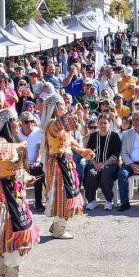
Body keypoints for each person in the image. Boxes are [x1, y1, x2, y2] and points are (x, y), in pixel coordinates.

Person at [0, 108, 40, 277]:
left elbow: (17, 169)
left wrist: (27, 177)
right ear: (7, 124)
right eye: (16, 120)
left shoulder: (15, 141)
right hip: (3, 191)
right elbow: (2, 152)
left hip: (15, 190)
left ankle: (3, 265)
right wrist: (20, 145)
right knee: (10, 229)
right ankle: (11, 271)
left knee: (19, 227)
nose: (18, 124)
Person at [41, 93, 94, 237]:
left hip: (65, 162)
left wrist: (82, 151)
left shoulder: (59, 124)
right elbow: (71, 123)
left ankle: (58, 224)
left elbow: (69, 141)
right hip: (58, 164)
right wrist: (75, 112)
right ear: (55, 107)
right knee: (62, 194)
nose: (65, 107)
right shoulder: (53, 124)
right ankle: (59, 230)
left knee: (66, 193)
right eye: (62, 105)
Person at [83, 114, 121, 211]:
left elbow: (115, 155)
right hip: (95, 164)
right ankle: (91, 201)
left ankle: (108, 200)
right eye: (101, 123)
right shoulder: (93, 136)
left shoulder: (115, 136)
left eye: (105, 123)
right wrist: (95, 163)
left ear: (109, 123)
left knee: (105, 173)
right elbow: (88, 152)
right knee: (91, 173)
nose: (103, 125)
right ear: (98, 124)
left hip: (110, 165)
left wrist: (103, 164)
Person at [19, 111, 45, 212]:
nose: (29, 123)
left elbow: (39, 150)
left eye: (31, 121)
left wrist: (37, 161)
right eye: (26, 121)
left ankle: (38, 202)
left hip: (33, 163)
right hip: (21, 164)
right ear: (21, 122)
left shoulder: (37, 131)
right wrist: (22, 164)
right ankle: (20, 202)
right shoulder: (17, 133)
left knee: (38, 171)